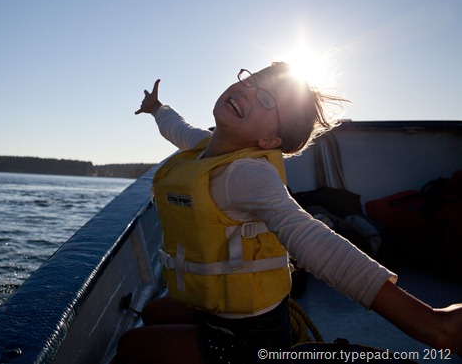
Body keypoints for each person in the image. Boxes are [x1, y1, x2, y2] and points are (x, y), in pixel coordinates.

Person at [115, 62, 462, 364]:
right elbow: (177, 128)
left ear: (269, 142)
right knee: (152, 311)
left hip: (248, 339)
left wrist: (428, 321)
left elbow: (311, 240)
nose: (248, 92)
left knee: (131, 346)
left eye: (268, 100)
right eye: (252, 81)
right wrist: (156, 107)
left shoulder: (247, 175)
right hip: (221, 310)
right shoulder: (206, 146)